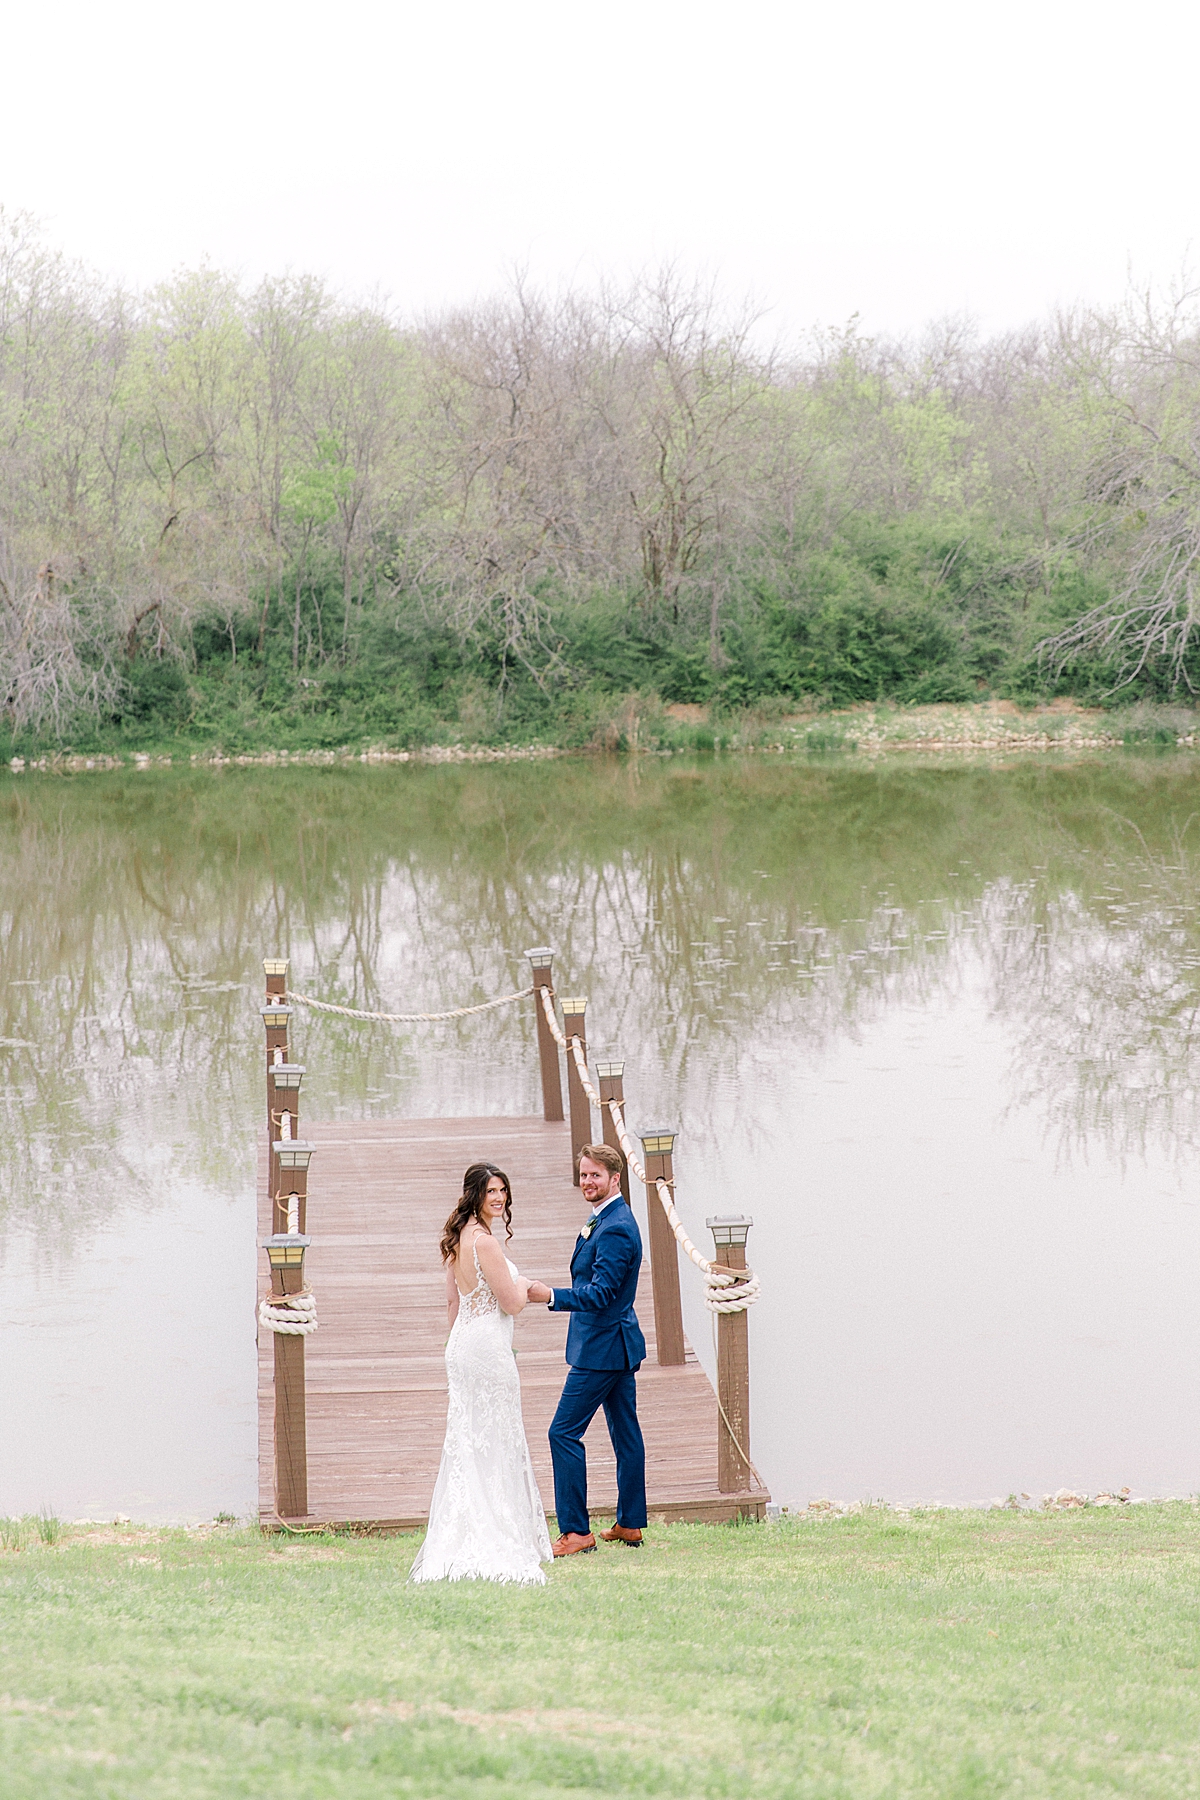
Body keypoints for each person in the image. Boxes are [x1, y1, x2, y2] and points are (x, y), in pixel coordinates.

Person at [409, 1162, 552, 1584]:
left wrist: (454, 1347)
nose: (499, 1198)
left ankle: (465, 1529)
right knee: (495, 1437)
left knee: (469, 1439)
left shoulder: (456, 1240)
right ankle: (496, 1532)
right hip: (487, 1348)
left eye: (503, 1190)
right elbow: (511, 1303)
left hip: (462, 1347)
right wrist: (525, 1282)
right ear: (474, 1194)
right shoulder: (484, 1242)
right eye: (491, 1191)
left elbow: (454, 1305)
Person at [526, 1144, 648, 1556]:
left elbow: (601, 1293)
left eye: (595, 1175)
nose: (587, 1182)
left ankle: (576, 1532)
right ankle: (630, 1523)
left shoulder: (615, 1227)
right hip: (616, 1343)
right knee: (626, 1434)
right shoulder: (609, 1217)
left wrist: (550, 1296)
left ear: (615, 1178)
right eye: (583, 1175)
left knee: (562, 1432)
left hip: (602, 1348)